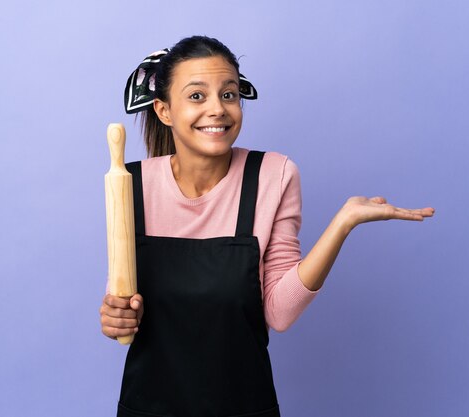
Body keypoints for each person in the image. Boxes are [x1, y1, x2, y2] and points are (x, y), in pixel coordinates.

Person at [100, 35, 435, 417]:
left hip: (244, 406)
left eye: (228, 95)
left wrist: (342, 223)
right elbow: (121, 301)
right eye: (197, 96)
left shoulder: (273, 176)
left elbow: (279, 312)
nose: (218, 109)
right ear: (164, 110)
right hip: (149, 407)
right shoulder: (130, 183)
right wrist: (115, 315)